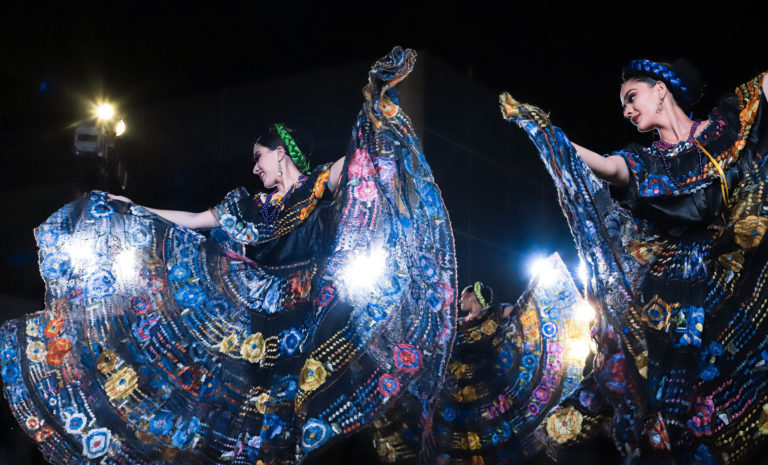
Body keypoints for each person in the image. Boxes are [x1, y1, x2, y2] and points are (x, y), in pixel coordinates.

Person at [0, 46, 457, 465]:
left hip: (313, 308)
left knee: (307, 400)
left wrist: (375, 104)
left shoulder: (318, 184)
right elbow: (197, 219)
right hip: (259, 312)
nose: (255, 167)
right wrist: (135, 207)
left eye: (260, 157)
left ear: (281, 154)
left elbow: (360, 158)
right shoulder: (252, 207)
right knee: (253, 406)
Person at [501, 62, 768, 464]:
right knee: (664, 375)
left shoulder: (723, 125)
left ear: (660, 90)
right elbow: (609, 168)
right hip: (675, 282)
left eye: (631, 97)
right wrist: (550, 138)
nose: (627, 111)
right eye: (623, 104)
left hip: (733, 259)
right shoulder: (646, 161)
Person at [371, 254, 592, 465]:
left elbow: (520, 312)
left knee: (484, 441)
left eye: (463, 296)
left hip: (485, 389)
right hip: (450, 392)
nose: (459, 300)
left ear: (472, 297)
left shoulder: (494, 314)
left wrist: (533, 291)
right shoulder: (454, 324)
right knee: (447, 441)